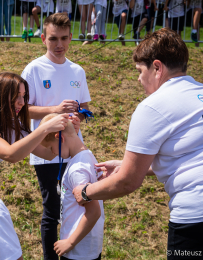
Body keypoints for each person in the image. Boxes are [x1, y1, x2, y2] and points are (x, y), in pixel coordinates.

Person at [73, 28, 203, 259]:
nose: (138, 78)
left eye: (140, 71)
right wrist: (125, 164)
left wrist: (85, 192)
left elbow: (127, 182)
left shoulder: (153, 106)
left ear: (157, 67)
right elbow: (186, 156)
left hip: (194, 218)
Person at [21, 13, 91, 260]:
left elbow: (84, 107)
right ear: (43, 39)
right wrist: (54, 110)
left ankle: (72, 251)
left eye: (64, 38)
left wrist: (78, 118)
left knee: (74, 206)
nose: (59, 44)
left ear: (71, 37)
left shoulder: (77, 71)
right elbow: (22, 109)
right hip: (46, 152)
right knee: (52, 211)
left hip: (74, 152)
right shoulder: (33, 69)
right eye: (53, 39)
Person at [40, 114, 105, 260]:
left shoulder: (78, 169)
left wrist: (70, 242)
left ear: (60, 138)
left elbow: (94, 212)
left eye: (51, 147)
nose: (52, 153)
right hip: (86, 247)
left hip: (78, 251)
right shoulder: (87, 156)